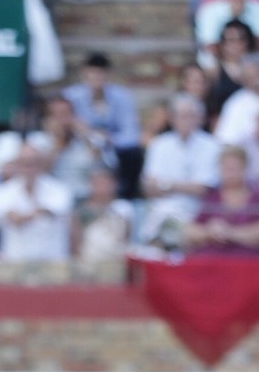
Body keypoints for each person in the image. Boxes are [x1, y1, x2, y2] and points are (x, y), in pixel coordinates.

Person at [139, 94, 221, 250]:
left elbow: (204, 188)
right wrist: (185, 187)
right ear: (172, 119)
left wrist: (166, 185)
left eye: (191, 116)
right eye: (182, 116)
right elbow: (149, 188)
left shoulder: (212, 146)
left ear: (200, 118)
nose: (187, 121)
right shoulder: (159, 145)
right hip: (162, 212)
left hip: (198, 213)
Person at [61, 51, 143, 199]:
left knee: (134, 154)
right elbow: (63, 124)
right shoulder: (70, 96)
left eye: (101, 73)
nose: (97, 77)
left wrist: (109, 139)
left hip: (112, 149)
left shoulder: (122, 97)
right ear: (84, 73)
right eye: (93, 73)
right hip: (80, 146)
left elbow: (132, 135)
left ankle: (126, 198)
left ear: (107, 74)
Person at [184, 144, 259, 256]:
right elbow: (191, 231)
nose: (229, 173)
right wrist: (210, 232)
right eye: (225, 168)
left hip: (247, 262)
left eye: (234, 168)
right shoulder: (212, 196)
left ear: (244, 169)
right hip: (212, 261)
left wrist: (230, 233)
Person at [0, 142, 73, 261]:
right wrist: (37, 213)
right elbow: (13, 218)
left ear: (41, 164)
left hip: (52, 264)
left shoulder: (59, 190)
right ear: (18, 165)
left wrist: (26, 215)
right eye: (24, 164)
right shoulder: (4, 192)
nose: (29, 169)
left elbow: (55, 211)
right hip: (16, 264)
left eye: (33, 163)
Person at [73, 166, 136, 261]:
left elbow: (126, 240)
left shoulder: (123, 209)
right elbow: (75, 244)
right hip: (89, 264)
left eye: (106, 183)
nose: (102, 187)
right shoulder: (80, 211)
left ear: (115, 184)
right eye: (98, 183)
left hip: (115, 263)